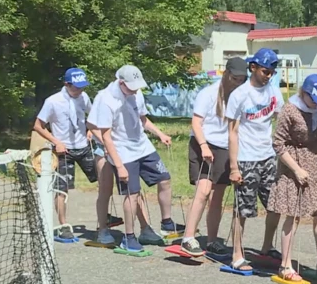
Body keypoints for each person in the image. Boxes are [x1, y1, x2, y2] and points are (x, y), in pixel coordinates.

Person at [91, 65, 180, 253]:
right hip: (122, 149)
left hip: (143, 145)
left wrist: (160, 134)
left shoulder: (136, 93)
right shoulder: (105, 99)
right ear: (121, 82)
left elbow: (143, 119)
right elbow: (106, 135)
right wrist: (120, 165)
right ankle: (128, 237)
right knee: (131, 193)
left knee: (164, 178)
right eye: (131, 87)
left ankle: (166, 223)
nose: (135, 90)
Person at [266, 74, 317, 281]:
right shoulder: (289, 110)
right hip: (293, 165)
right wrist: (295, 169)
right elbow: (278, 144)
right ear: (304, 93)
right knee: (293, 215)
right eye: (313, 99)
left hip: (314, 164)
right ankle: (285, 265)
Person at [180, 58, 249, 256]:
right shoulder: (208, 93)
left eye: (242, 79)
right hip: (203, 144)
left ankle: (211, 241)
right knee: (203, 190)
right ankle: (188, 237)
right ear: (226, 74)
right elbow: (195, 123)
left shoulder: (241, 96)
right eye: (235, 78)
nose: (238, 82)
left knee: (217, 196)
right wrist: (203, 146)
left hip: (225, 148)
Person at [225, 48, 284, 272]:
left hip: (268, 156)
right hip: (246, 159)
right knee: (243, 209)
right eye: (265, 71)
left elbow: (281, 118)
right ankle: (237, 255)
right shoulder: (239, 95)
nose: (268, 75)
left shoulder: (273, 91)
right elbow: (232, 132)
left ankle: (267, 246)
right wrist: (233, 167)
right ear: (253, 68)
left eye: (271, 72)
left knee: (276, 204)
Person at [33, 68, 98, 240]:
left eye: (82, 87)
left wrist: (90, 130)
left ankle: (105, 218)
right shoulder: (53, 101)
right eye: (76, 87)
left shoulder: (84, 97)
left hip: (84, 147)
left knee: (103, 178)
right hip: (64, 150)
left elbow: (92, 116)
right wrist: (57, 142)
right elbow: (38, 126)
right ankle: (63, 225)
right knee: (62, 190)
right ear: (66, 84)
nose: (80, 91)